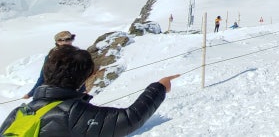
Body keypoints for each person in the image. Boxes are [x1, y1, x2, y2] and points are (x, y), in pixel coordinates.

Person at [1, 45, 179, 136]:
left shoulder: (18, 113)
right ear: (85, 77)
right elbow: (129, 119)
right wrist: (160, 86)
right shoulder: (73, 114)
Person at [23, 31, 82, 99]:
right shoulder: (51, 56)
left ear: (71, 39)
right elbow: (43, 77)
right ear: (57, 42)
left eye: (67, 39)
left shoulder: (79, 55)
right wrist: (31, 93)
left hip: (73, 91)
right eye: (61, 40)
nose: (64, 42)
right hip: (54, 91)